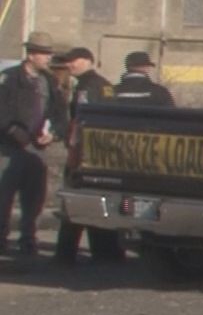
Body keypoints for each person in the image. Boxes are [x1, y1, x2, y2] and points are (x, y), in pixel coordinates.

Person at [54, 47, 124, 263]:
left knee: (79, 202)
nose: (69, 65)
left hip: (87, 155)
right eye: (67, 61)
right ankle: (105, 254)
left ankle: (68, 255)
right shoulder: (91, 85)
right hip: (92, 155)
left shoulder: (91, 86)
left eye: (73, 61)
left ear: (87, 61)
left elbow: (88, 122)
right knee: (92, 202)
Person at [0, 32, 63, 257]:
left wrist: (53, 133)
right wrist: (15, 132)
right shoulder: (9, 78)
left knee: (34, 197)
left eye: (49, 53)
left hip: (37, 149)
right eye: (44, 53)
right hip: (8, 148)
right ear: (31, 54)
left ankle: (28, 238)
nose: (48, 58)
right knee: (3, 195)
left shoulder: (50, 81)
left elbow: (58, 114)